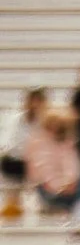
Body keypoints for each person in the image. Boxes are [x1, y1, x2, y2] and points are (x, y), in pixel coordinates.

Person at [23, 101, 80, 228]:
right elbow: (41, 170)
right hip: (47, 189)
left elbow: (72, 164)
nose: (57, 126)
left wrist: (70, 182)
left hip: (69, 188)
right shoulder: (38, 142)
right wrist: (60, 185)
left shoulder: (67, 142)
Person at [1, 85, 39, 224]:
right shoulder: (15, 120)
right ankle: (13, 205)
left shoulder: (45, 121)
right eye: (32, 100)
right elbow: (9, 144)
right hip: (17, 160)